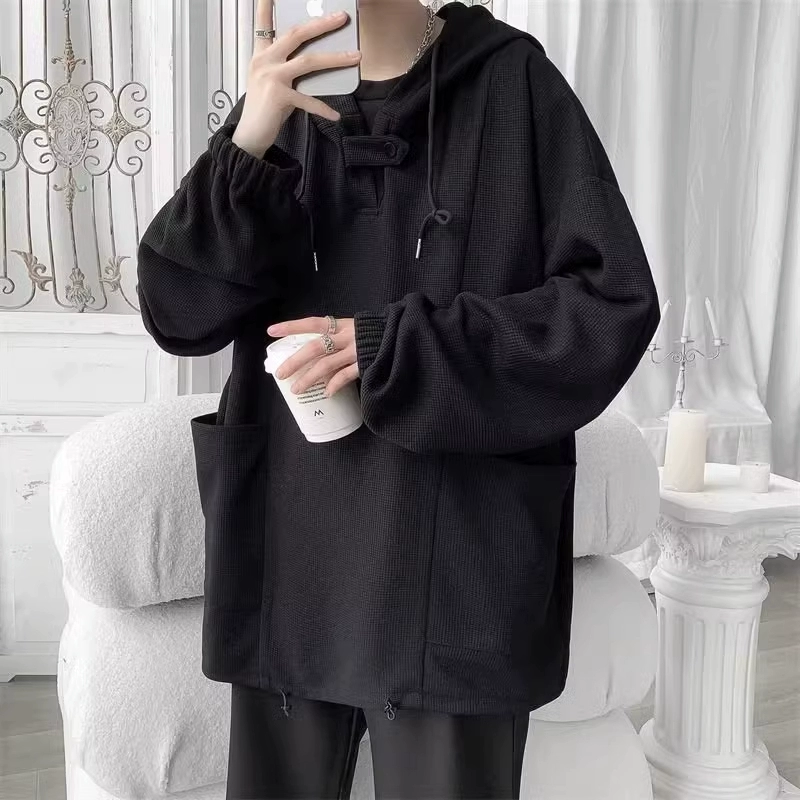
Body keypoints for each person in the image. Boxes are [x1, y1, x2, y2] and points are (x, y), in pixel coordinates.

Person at [137, 0, 661, 797]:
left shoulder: (513, 82)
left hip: (454, 562)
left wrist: (396, 346)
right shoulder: (280, 105)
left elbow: (611, 304)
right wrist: (249, 142)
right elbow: (178, 315)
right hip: (290, 556)